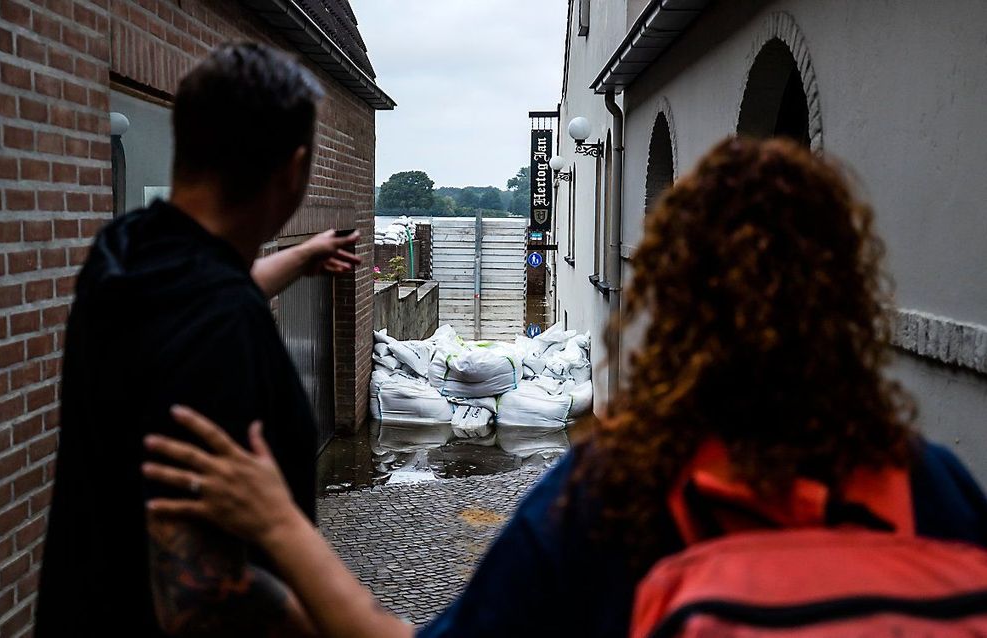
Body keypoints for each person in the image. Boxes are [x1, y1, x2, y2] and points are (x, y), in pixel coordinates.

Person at [141, 137, 987, 637]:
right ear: (849, 295)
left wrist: (279, 527)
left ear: (672, 293)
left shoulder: (609, 501)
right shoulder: (937, 489)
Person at [35, 42, 363, 637]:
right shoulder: (222, 327)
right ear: (292, 171)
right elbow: (202, 595)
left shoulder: (125, 250)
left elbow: (211, 293)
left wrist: (299, 258)